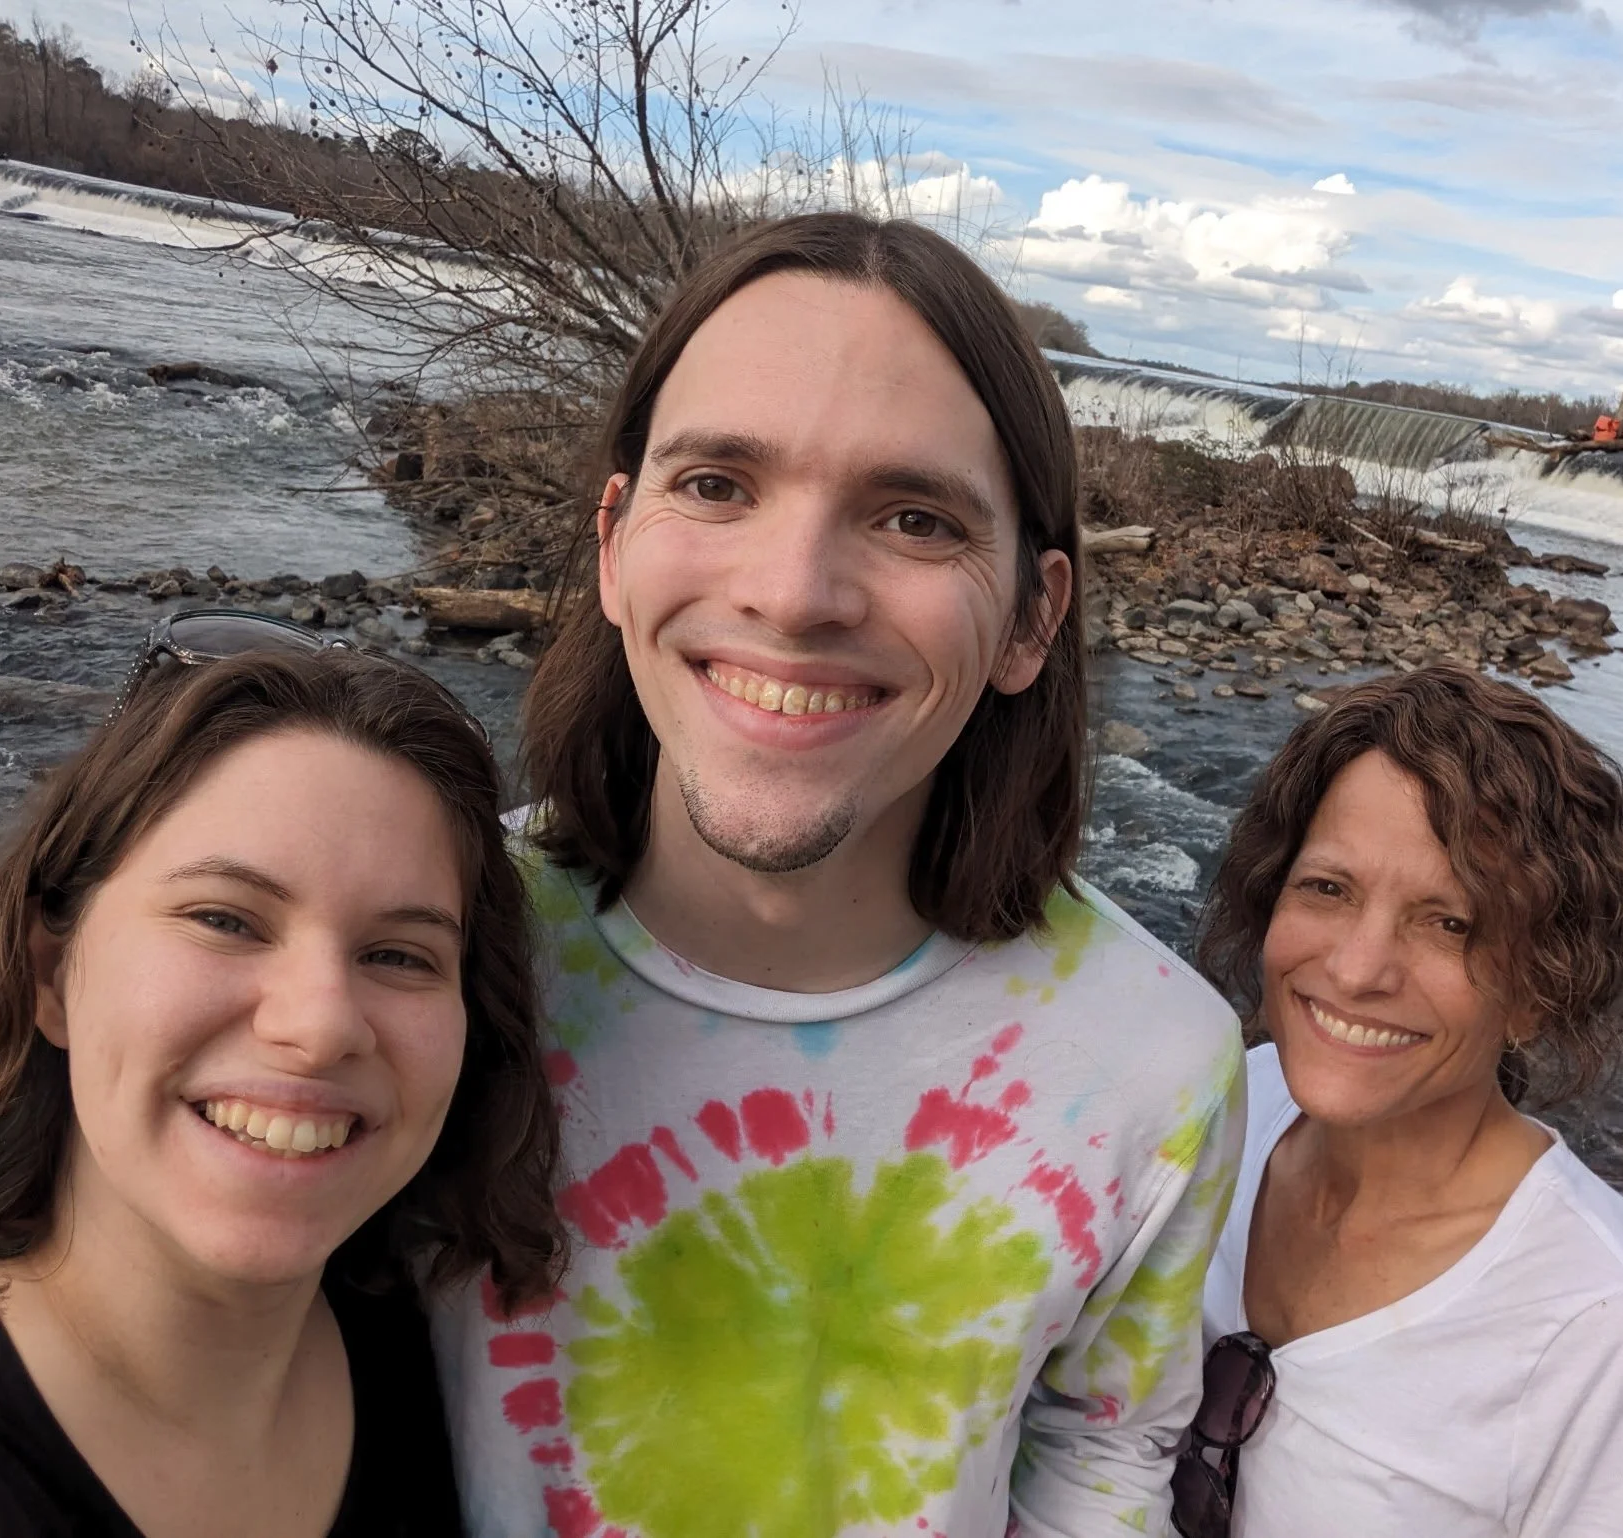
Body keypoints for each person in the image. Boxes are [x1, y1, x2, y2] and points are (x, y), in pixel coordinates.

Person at [430, 212, 1246, 1538]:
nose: (795, 591)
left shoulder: (1155, 1064)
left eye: (913, 518)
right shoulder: (429, 952)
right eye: (717, 484)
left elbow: (1099, 1448)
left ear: (1031, 618)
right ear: (613, 544)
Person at [0, 617, 565, 1537]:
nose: (320, 1025)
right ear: (52, 974)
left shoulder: (429, 1349)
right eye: (225, 920)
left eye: (398, 955)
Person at [1180, 663, 1623, 1538]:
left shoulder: (1618, 1341)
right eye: (1327, 888)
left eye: (1451, 924)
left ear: (1540, 990)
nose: (1356, 970)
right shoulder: (1226, 1106)